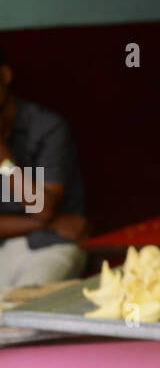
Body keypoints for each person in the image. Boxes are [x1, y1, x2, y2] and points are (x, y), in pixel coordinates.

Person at [0, 47, 87, 291]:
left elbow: (43, 208)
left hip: (54, 245)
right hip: (9, 247)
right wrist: (47, 222)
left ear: (5, 75)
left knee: (20, 317)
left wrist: (1, 155)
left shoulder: (47, 128)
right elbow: (47, 218)